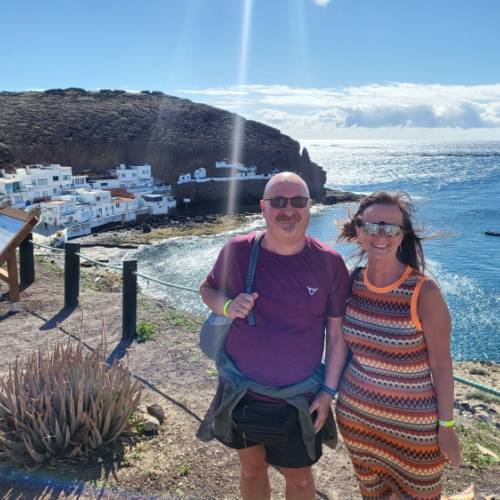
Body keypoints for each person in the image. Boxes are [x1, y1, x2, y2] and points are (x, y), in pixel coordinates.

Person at [199, 172, 349, 500]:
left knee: (300, 481)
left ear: (309, 207)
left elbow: (337, 336)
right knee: (251, 471)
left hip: (299, 399)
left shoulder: (329, 263)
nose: (288, 210)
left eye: (298, 201)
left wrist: (328, 392)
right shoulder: (238, 251)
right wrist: (228, 306)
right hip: (241, 393)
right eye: (278, 202)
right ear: (263, 207)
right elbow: (208, 289)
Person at [336, 191, 461, 499]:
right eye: (371, 226)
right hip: (356, 422)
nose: (381, 235)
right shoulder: (350, 281)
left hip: (415, 432)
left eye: (391, 228)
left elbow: (441, 365)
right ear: (358, 230)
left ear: (402, 235)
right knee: (372, 495)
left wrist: (446, 426)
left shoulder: (424, 293)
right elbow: (339, 344)